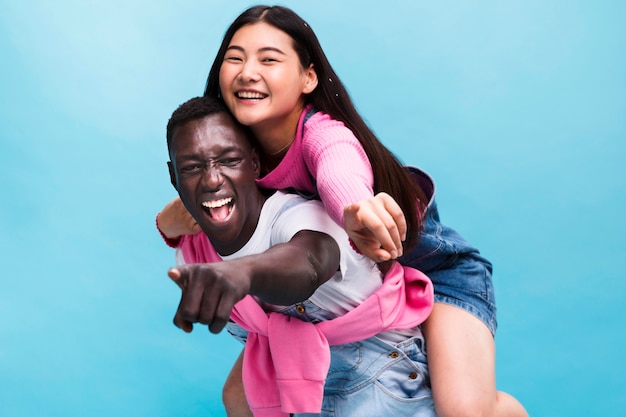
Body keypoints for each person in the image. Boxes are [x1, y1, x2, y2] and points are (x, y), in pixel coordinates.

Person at [157, 5, 528, 417]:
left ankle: (505, 410)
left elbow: (341, 175)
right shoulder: (228, 144)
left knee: (464, 411)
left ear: (308, 77)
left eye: (269, 59)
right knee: (239, 396)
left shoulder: (324, 135)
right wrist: (168, 224)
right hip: (352, 293)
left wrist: (356, 211)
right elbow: (190, 205)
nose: (248, 71)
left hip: (433, 274)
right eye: (235, 57)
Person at [165, 95, 436, 417]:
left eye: (228, 160)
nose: (211, 179)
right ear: (174, 177)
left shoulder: (300, 216)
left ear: (254, 162)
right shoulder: (193, 251)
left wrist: (241, 273)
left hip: (388, 382)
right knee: (236, 398)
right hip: (309, 386)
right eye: (192, 167)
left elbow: (307, 262)